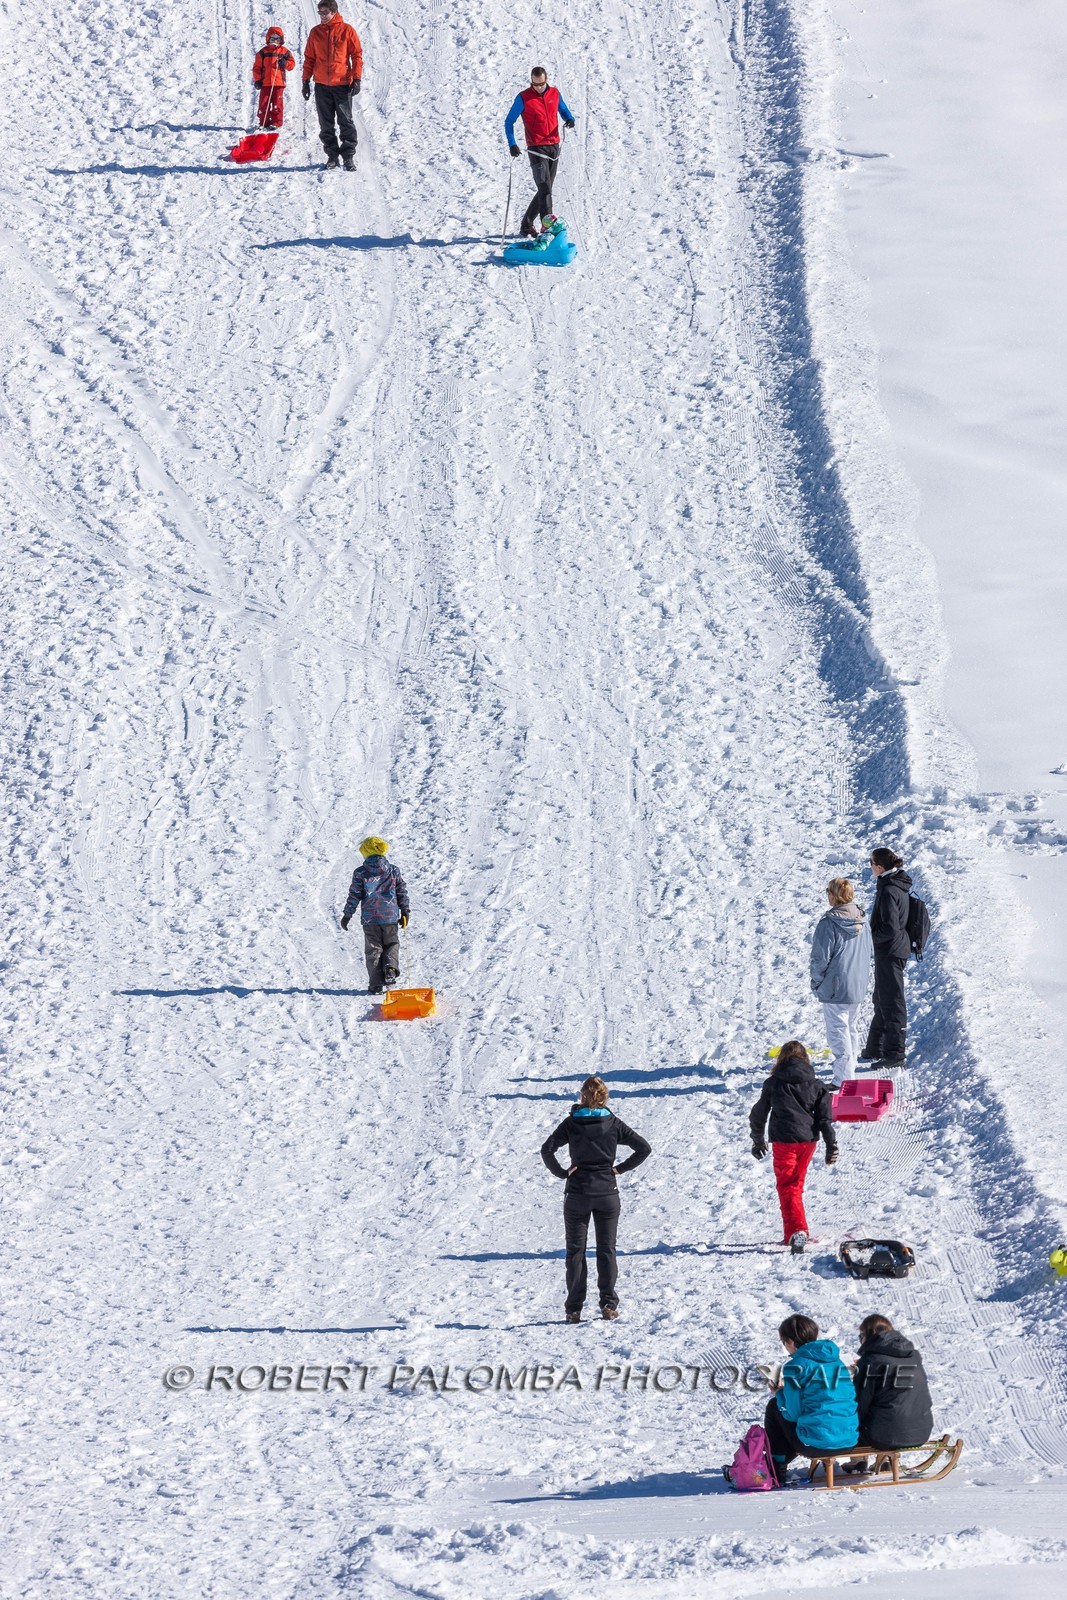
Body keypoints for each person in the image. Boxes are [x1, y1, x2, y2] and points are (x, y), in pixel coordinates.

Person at [541, 1076, 650, 1323]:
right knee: (607, 1250)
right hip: (607, 1194)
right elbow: (643, 1148)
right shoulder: (613, 1123)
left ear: (581, 1097)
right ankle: (608, 1305)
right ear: (605, 1097)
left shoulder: (571, 1123)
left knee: (576, 1252)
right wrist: (619, 1169)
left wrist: (561, 1173)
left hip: (578, 1194)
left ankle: (574, 1309)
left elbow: (546, 1149)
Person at [749, 1041, 838, 1252]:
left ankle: (797, 1231)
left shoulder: (773, 1083)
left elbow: (758, 1113)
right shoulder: (817, 1085)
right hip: (808, 1143)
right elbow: (825, 1119)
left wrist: (757, 1139)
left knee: (788, 1186)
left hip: (784, 1143)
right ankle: (797, 1230)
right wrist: (830, 1145)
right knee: (794, 1185)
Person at [763, 1313, 859, 1478]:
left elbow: (792, 1414)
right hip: (848, 1441)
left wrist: (779, 1394)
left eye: (784, 1342)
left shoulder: (795, 1366)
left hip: (816, 1444)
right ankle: (779, 1460)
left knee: (774, 1407)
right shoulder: (838, 1362)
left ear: (790, 1342)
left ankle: (776, 1464)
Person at [844, 1313, 934, 1474]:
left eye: (861, 1336)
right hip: (921, 1430)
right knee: (891, 1405)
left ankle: (858, 1460)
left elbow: (859, 1403)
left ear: (868, 1335)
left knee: (854, 1416)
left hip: (886, 1436)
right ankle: (886, 1459)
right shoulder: (913, 1355)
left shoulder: (870, 1361)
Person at [809, 877, 873, 1085]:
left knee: (838, 1032)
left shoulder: (829, 924)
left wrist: (817, 983)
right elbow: (869, 951)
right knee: (850, 1028)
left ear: (834, 895)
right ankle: (849, 1071)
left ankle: (843, 1079)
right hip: (857, 984)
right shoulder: (863, 920)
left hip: (835, 987)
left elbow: (820, 958)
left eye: (827, 891)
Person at [504, 67, 576, 238]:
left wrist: (569, 119)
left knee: (546, 188)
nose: (538, 88)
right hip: (536, 148)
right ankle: (548, 229)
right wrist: (512, 144)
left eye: (542, 84)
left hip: (554, 146)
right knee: (544, 188)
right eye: (535, 85)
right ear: (531, 81)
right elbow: (509, 121)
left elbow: (564, 110)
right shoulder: (523, 98)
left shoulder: (555, 93)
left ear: (546, 80)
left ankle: (527, 225)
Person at [859, 848, 913, 1067]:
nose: (870, 867)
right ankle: (876, 1046)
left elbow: (890, 928)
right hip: (890, 950)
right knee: (881, 999)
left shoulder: (890, 889)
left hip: (891, 951)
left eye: (871, 863)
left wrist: (868, 938)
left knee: (892, 1002)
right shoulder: (891, 884)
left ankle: (894, 1054)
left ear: (879, 866)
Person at [340, 836, 409, 994]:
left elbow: (354, 895)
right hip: (390, 917)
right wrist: (405, 911)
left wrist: (347, 915)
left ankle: (376, 984)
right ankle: (390, 968)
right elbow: (401, 891)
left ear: (365, 852)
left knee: (373, 950)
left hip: (370, 919)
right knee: (391, 944)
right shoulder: (393, 870)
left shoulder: (360, 873)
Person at [302, 0, 363, 171]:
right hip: (322, 85)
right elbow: (309, 59)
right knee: (326, 123)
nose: (321, 16)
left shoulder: (347, 30)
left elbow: (356, 55)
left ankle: (348, 157)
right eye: (320, 12)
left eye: (325, 12)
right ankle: (332, 156)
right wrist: (305, 81)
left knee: (346, 122)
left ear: (334, 11)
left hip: (342, 85)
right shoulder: (315, 33)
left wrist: (356, 79)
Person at [252, 27, 295, 130]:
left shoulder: (284, 52)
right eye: (272, 39)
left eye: (277, 39)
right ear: (268, 39)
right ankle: (263, 122)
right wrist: (257, 80)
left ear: (281, 40)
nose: (275, 41)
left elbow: (292, 64)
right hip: (265, 83)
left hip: (279, 83)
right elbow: (257, 68)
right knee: (264, 103)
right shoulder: (262, 52)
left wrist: (285, 63)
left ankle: (276, 122)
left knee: (277, 103)